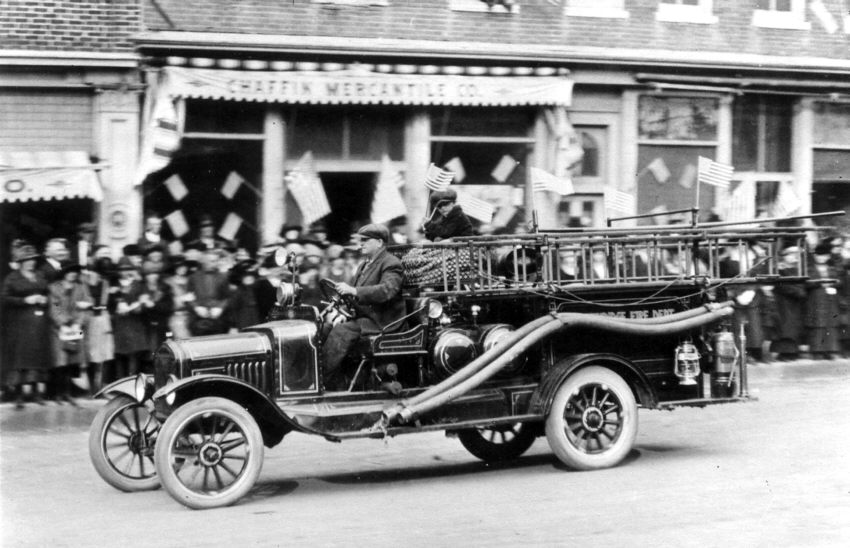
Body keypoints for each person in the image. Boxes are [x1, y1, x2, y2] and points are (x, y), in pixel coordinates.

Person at [321, 224, 406, 390]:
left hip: (383, 320)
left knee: (342, 331)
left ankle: (325, 381)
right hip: (365, 316)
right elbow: (352, 295)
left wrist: (353, 290)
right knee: (324, 327)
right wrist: (343, 308)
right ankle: (336, 378)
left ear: (380, 242)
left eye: (366, 240)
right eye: (361, 240)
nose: (361, 244)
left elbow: (387, 291)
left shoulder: (391, 263)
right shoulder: (363, 265)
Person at [2, 245, 51, 408]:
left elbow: (52, 297)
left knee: (37, 356)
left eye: (32, 260)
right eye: (26, 260)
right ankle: (18, 394)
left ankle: (37, 392)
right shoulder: (12, 278)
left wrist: (47, 301)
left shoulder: (40, 276)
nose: (30, 263)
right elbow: (4, 298)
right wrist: (24, 301)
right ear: (20, 262)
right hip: (20, 323)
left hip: (39, 323)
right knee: (20, 358)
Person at [48, 261, 92, 405]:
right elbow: (55, 307)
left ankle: (67, 393)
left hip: (76, 328)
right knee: (60, 361)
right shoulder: (55, 288)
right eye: (70, 271)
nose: (72, 274)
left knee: (72, 360)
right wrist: (63, 322)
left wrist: (78, 323)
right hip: (60, 329)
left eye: (75, 272)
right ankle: (57, 393)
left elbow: (86, 306)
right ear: (64, 273)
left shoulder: (81, 288)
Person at [805, 241, 841, 359]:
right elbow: (806, 283)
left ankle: (830, 349)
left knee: (830, 324)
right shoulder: (809, 268)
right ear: (815, 255)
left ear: (828, 256)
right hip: (816, 298)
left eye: (825, 256)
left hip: (830, 298)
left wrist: (833, 284)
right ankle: (817, 351)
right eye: (819, 255)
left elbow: (839, 281)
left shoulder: (831, 267)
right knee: (818, 325)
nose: (822, 258)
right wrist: (821, 283)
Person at [83, 257, 115, 392]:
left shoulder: (105, 285)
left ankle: (101, 386)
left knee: (106, 352)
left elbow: (111, 304)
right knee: (89, 353)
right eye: (89, 271)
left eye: (95, 271)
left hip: (102, 320)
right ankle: (92, 387)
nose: (92, 274)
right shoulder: (82, 285)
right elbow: (58, 305)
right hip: (86, 321)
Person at [187, 247, 231, 335]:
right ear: (203, 261)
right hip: (198, 318)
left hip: (218, 318)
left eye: (216, 261)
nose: (215, 264)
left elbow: (228, 297)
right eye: (212, 261)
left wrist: (220, 308)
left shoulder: (223, 277)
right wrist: (197, 307)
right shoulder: (193, 277)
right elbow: (188, 296)